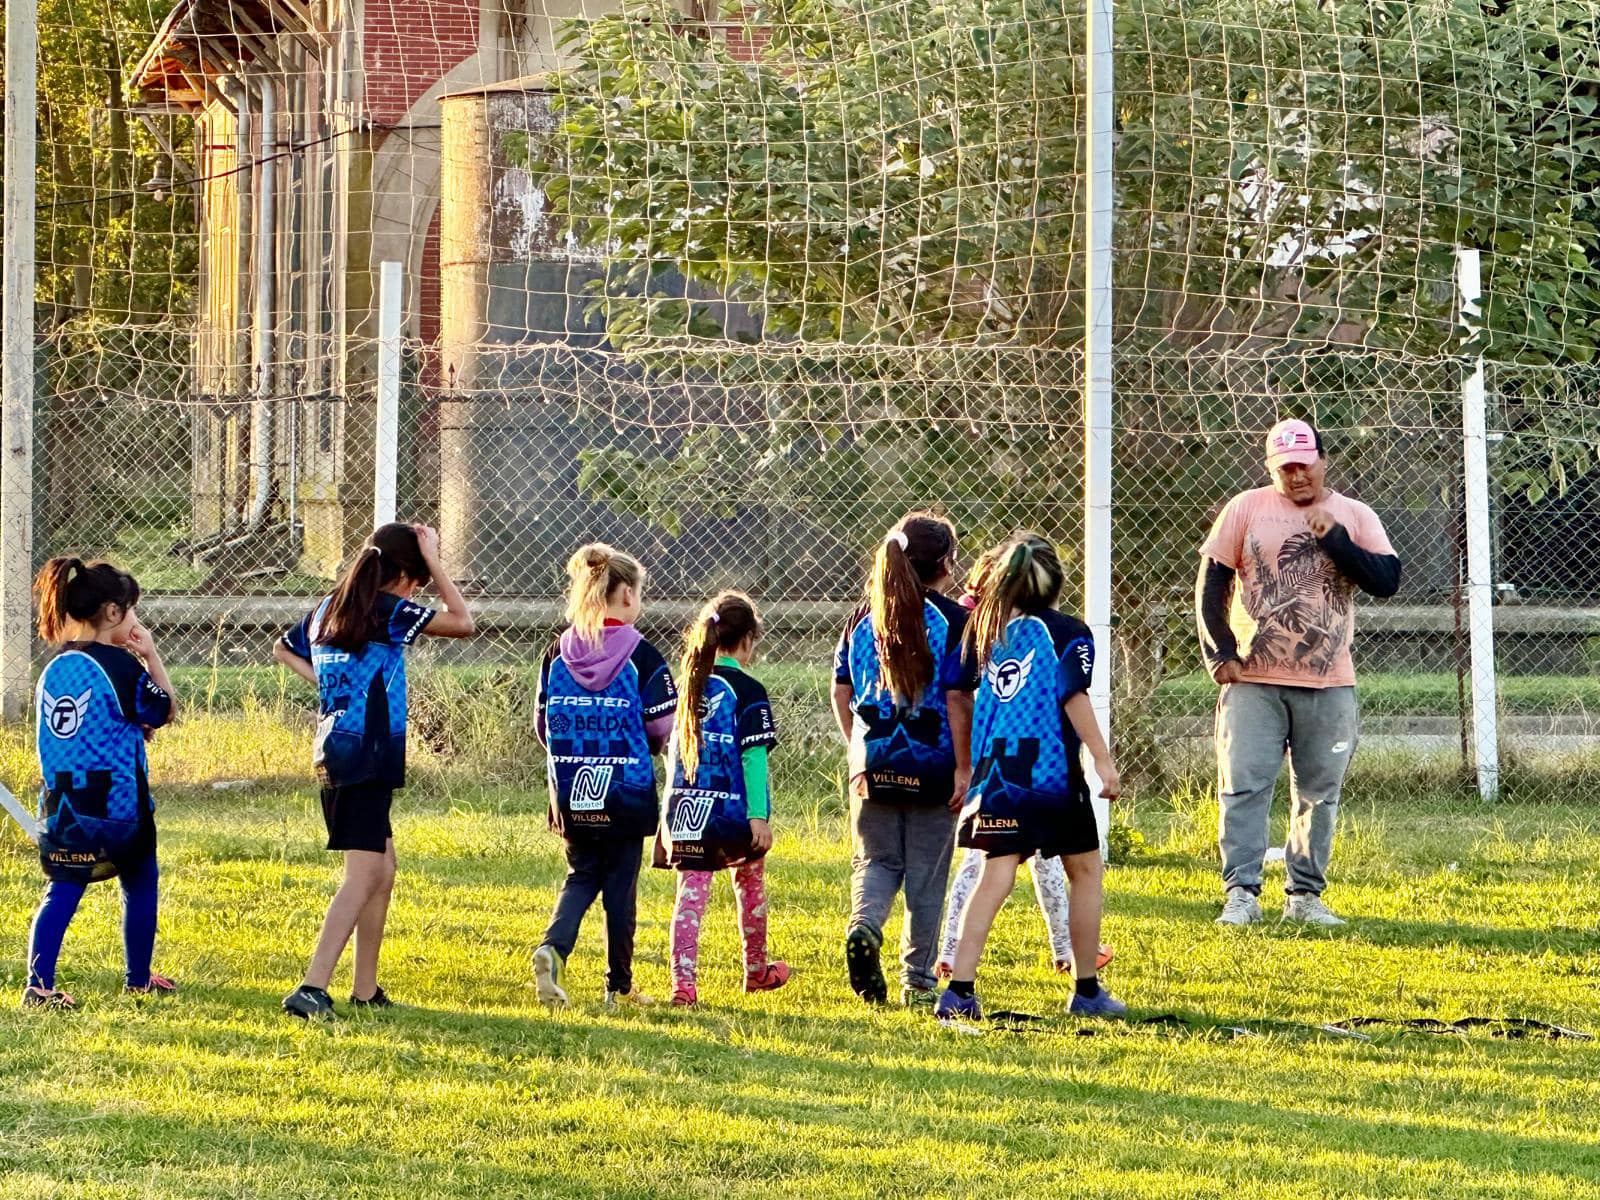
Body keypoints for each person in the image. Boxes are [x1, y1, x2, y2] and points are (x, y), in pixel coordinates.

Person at [1198, 419, 1402, 928]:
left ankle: (1305, 896)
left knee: (1319, 793)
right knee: (1243, 786)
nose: (1295, 476)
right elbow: (1211, 582)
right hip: (1254, 681)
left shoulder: (1353, 514)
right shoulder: (1245, 508)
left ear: (1322, 461)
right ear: (1271, 468)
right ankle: (1241, 894)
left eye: (1303, 465)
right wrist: (1220, 650)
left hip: (1330, 682)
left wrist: (1336, 541)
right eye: (1284, 468)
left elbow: (1387, 581)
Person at [275, 523, 475, 1017]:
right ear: (405, 574)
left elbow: (284, 648)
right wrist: (435, 560)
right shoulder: (384, 609)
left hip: (342, 753)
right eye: (419, 581)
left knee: (382, 870)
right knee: (363, 875)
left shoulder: (331, 605)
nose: (419, 591)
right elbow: (463, 622)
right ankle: (312, 986)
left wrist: (330, 691)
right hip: (364, 756)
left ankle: (365, 988)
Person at [935, 533, 1125, 1021]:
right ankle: (1086, 991)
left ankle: (958, 991)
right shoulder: (1069, 632)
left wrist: (967, 761)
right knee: (1084, 871)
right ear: (1056, 582)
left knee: (995, 876)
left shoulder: (983, 631)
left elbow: (955, 692)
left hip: (996, 776)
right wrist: (1102, 760)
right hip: (1051, 778)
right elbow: (1072, 696)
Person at [831, 511, 976, 1008]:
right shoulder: (956, 622)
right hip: (934, 765)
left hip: (872, 762)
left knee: (876, 861)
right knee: (927, 874)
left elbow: (841, 688)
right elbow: (959, 700)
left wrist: (858, 745)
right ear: (944, 564)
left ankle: (865, 925)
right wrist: (964, 767)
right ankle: (917, 980)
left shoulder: (861, 617)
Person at [21, 558, 177, 1009]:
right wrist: (149, 654)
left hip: (63, 805)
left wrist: (128, 727)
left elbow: (79, 729)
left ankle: (38, 984)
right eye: (131, 612)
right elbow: (164, 710)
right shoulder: (122, 665)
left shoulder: (54, 668)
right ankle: (137, 978)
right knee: (140, 881)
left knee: (61, 892)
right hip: (118, 805)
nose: (134, 622)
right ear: (112, 613)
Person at [533, 544, 676, 1009]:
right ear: (628, 595)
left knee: (580, 875)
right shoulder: (643, 655)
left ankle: (553, 949)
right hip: (626, 793)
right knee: (620, 888)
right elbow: (662, 728)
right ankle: (619, 985)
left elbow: (543, 725)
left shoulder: (557, 650)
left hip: (571, 790)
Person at [658, 592, 789, 1007]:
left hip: (685, 810)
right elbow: (753, 758)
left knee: (690, 895)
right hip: (733, 812)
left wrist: (670, 811)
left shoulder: (687, 684)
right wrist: (758, 816)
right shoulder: (749, 690)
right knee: (750, 885)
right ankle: (756, 971)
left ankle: (684, 985)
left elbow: (671, 753)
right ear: (748, 640)